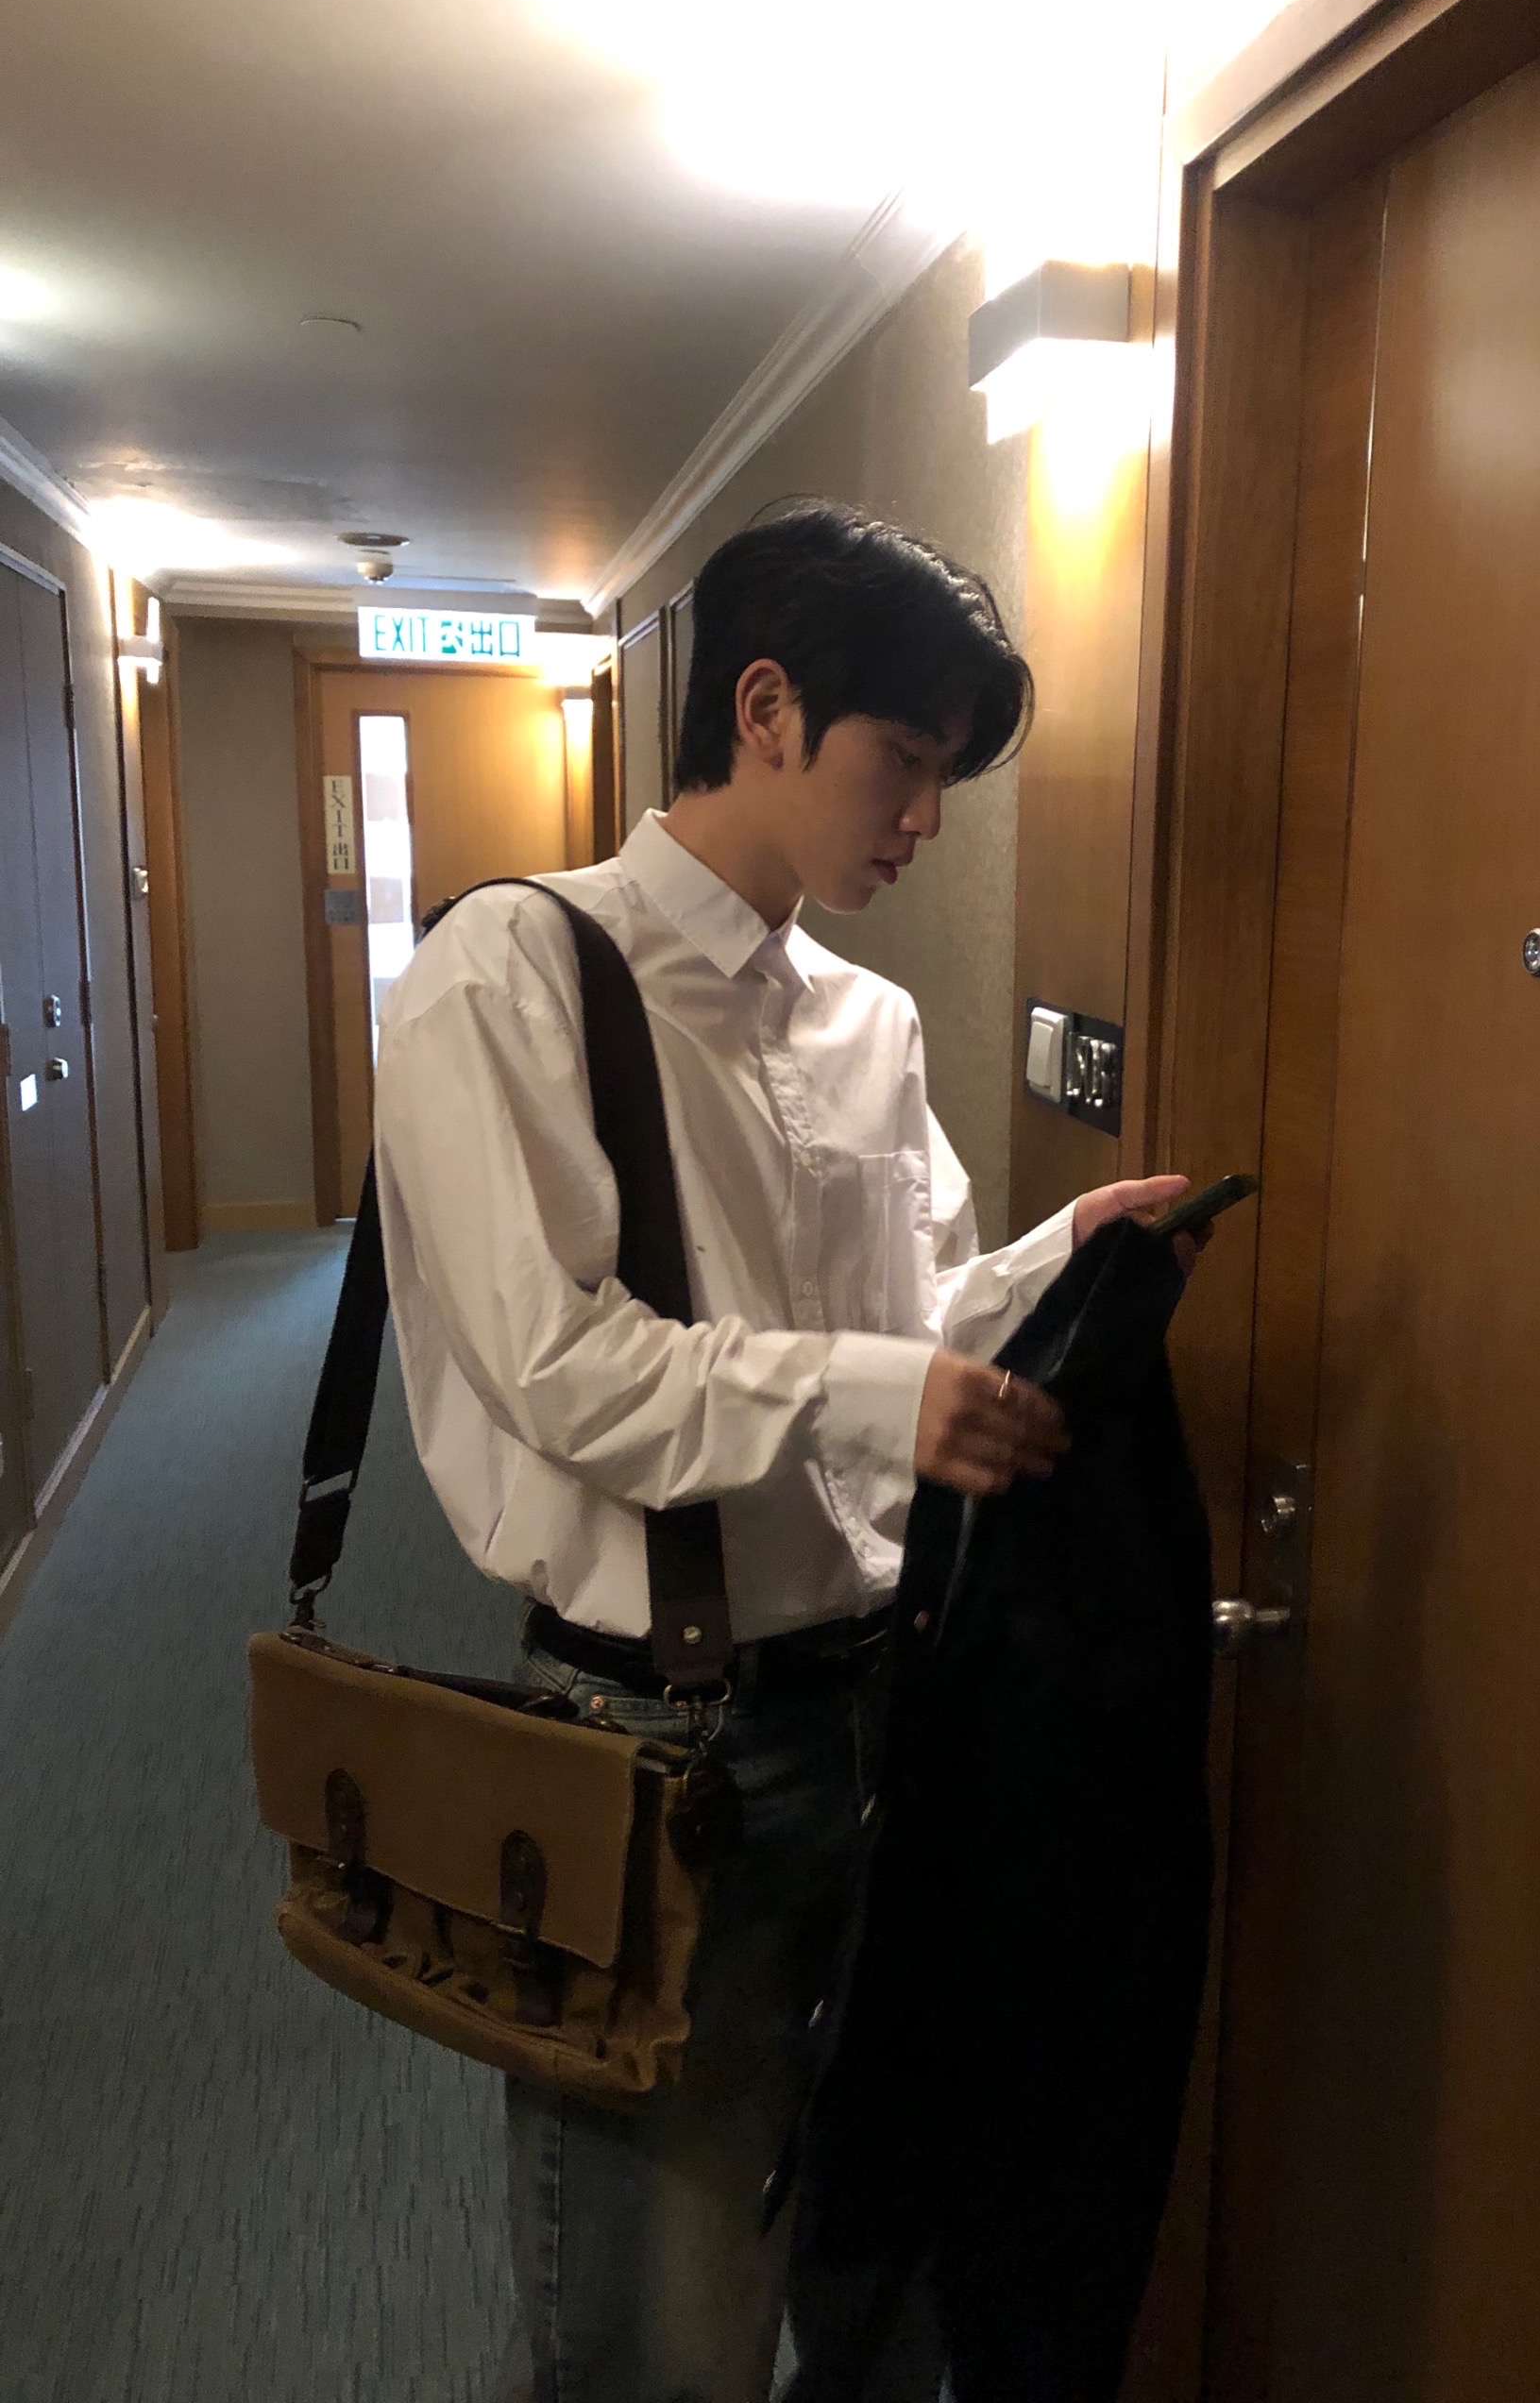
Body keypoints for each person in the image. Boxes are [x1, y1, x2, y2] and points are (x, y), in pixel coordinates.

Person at [372, 500, 1187, 2403]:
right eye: (904, 759)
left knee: (865, 2249)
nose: (926, 819)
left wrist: (1057, 1260)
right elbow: (561, 1369)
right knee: (656, 2326)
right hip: (655, 1738)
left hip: (887, 1714)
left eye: (947, 775)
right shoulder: (513, 973)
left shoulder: (868, 1025)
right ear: (762, 709)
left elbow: (910, 1323)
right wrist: (871, 1391)